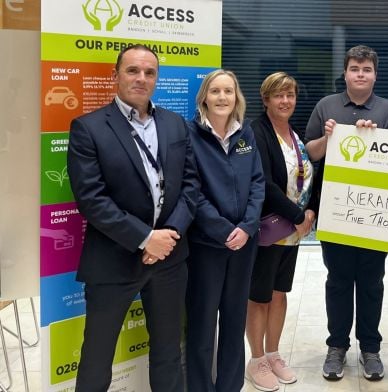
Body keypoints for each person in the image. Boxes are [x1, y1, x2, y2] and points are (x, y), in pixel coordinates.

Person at [67, 44, 199, 392]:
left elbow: (190, 186)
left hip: (169, 259)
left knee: (169, 352)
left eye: (149, 72)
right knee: (97, 356)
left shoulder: (175, 124)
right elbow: (91, 200)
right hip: (113, 260)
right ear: (116, 76)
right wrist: (145, 237)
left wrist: (168, 234)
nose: (142, 78)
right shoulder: (88, 128)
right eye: (133, 71)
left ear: (156, 78)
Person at [304, 45, 388, 381]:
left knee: (373, 283)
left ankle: (370, 349)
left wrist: (383, 138)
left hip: (376, 213)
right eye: (355, 68)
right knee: (339, 281)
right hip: (336, 212)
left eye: (366, 69)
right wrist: (329, 138)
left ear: (375, 74)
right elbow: (310, 154)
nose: (361, 74)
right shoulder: (325, 106)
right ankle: (337, 347)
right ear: (345, 73)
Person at [185, 69, 265, 392]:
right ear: (204, 96)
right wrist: (222, 230)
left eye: (228, 91)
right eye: (215, 91)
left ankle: (230, 387)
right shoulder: (189, 135)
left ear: (236, 98)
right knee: (202, 326)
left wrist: (246, 227)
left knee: (234, 322)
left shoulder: (246, 134)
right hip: (207, 246)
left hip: (244, 245)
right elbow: (191, 191)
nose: (222, 97)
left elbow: (258, 183)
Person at [245, 72, 318, 391]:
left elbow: (306, 174)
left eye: (290, 95)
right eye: (279, 95)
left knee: (279, 293)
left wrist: (309, 211)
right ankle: (256, 359)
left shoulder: (292, 132)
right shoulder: (256, 131)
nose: (286, 101)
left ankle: (274, 354)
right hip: (269, 230)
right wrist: (299, 214)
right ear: (266, 99)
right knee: (258, 297)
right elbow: (263, 182)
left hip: (291, 231)